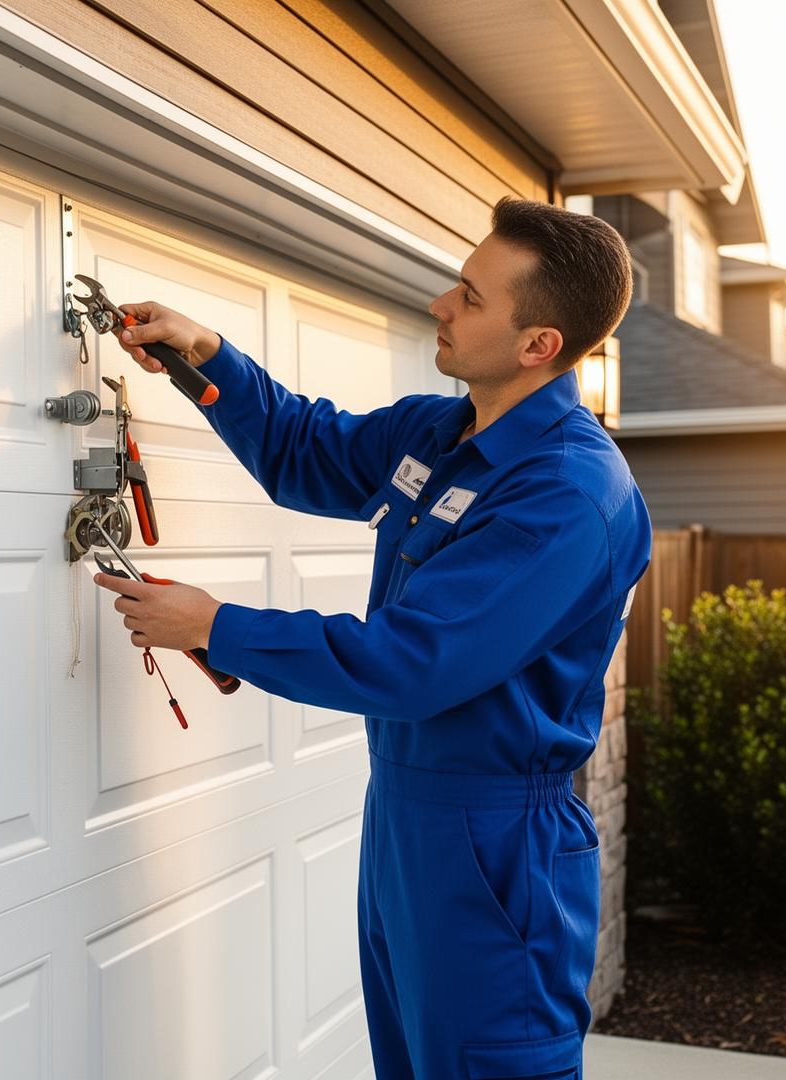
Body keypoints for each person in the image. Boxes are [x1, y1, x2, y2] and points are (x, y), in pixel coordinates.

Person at [93, 197, 651, 1080]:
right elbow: (304, 451)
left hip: (496, 845)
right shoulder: (443, 432)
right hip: (405, 819)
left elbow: (413, 660)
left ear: (538, 343)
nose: (441, 303)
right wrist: (206, 359)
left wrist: (214, 627)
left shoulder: (567, 497)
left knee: (490, 1064)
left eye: (469, 296)